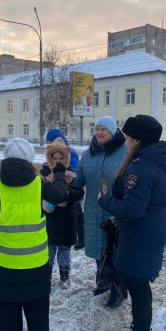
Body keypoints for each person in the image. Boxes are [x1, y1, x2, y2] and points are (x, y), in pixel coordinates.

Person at [0, 138, 69, 331]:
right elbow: (61, 196)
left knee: (8, 300)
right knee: (37, 300)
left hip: (6, 260)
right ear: (29, 159)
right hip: (36, 259)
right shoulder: (39, 185)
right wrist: (59, 174)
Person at [98, 114, 166, 331]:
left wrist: (105, 200)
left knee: (138, 290)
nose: (126, 138)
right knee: (140, 288)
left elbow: (132, 210)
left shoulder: (140, 168)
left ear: (137, 139)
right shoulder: (153, 161)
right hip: (148, 233)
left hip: (139, 236)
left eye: (128, 135)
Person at [72, 116, 127, 309]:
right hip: (94, 210)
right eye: (97, 129)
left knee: (114, 252)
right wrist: (71, 178)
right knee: (98, 249)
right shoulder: (89, 153)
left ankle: (118, 290)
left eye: (103, 129)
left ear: (113, 131)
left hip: (116, 210)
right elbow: (80, 176)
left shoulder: (125, 151)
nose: (99, 132)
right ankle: (103, 283)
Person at [40, 138, 84, 288]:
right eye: (55, 158)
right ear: (50, 158)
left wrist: (68, 195)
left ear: (66, 158)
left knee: (64, 251)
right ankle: (47, 276)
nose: (58, 161)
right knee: (49, 250)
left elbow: (79, 193)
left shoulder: (71, 173)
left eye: (61, 158)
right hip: (50, 220)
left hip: (66, 219)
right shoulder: (44, 173)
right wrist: (44, 203)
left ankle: (65, 276)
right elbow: (38, 192)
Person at [45, 129, 84, 250]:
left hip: (68, 191)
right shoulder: (52, 157)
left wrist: (64, 174)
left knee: (76, 217)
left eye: (51, 140)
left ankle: (81, 239)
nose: (50, 143)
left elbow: (74, 172)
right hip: (54, 207)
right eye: (49, 141)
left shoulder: (68, 154)